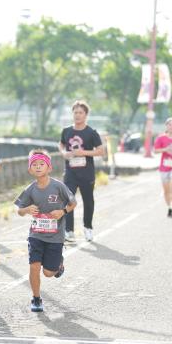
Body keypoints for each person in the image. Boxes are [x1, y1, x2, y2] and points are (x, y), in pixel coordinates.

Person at [15, 149, 76, 312]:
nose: (38, 167)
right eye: (34, 165)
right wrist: (27, 209)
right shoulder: (30, 189)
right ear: (30, 170)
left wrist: (62, 212)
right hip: (36, 235)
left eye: (42, 164)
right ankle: (36, 299)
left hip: (55, 236)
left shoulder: (58, 186)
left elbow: (73, 203)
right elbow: (19, 210)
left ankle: (58, 264)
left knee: (49, 273)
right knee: (34, 266)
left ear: (49, 168)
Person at [59, 100, 104, 242]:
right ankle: (69, 231)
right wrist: (63, 153)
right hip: (70, 172)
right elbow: (61, 144)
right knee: (68, 199)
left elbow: (100, 151)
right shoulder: (66, 131)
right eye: (75, 112)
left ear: (86, 115)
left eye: (80, 113)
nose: (77, 115)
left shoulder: (91, 132)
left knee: (88, 201)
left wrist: (83, 152)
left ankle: (88, 228)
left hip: (86, 173)